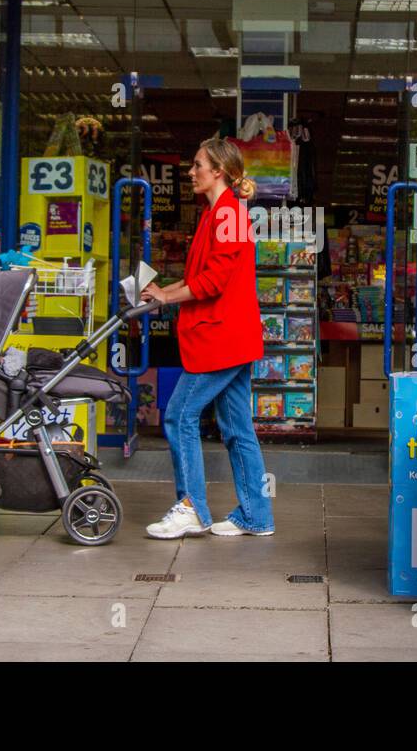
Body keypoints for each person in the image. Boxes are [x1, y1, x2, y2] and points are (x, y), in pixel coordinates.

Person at [140, 137, 276, 539]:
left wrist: (167, 295)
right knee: (237, 429)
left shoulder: (228, 216)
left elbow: (213, 282)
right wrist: (162, 291)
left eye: (198, 165)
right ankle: (256, 515)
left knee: (179, 414)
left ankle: (191, 508)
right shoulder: (217, 214)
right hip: (228, 336)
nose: (191, 171)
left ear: (218, 170)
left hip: (222, 339)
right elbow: (202, 276)